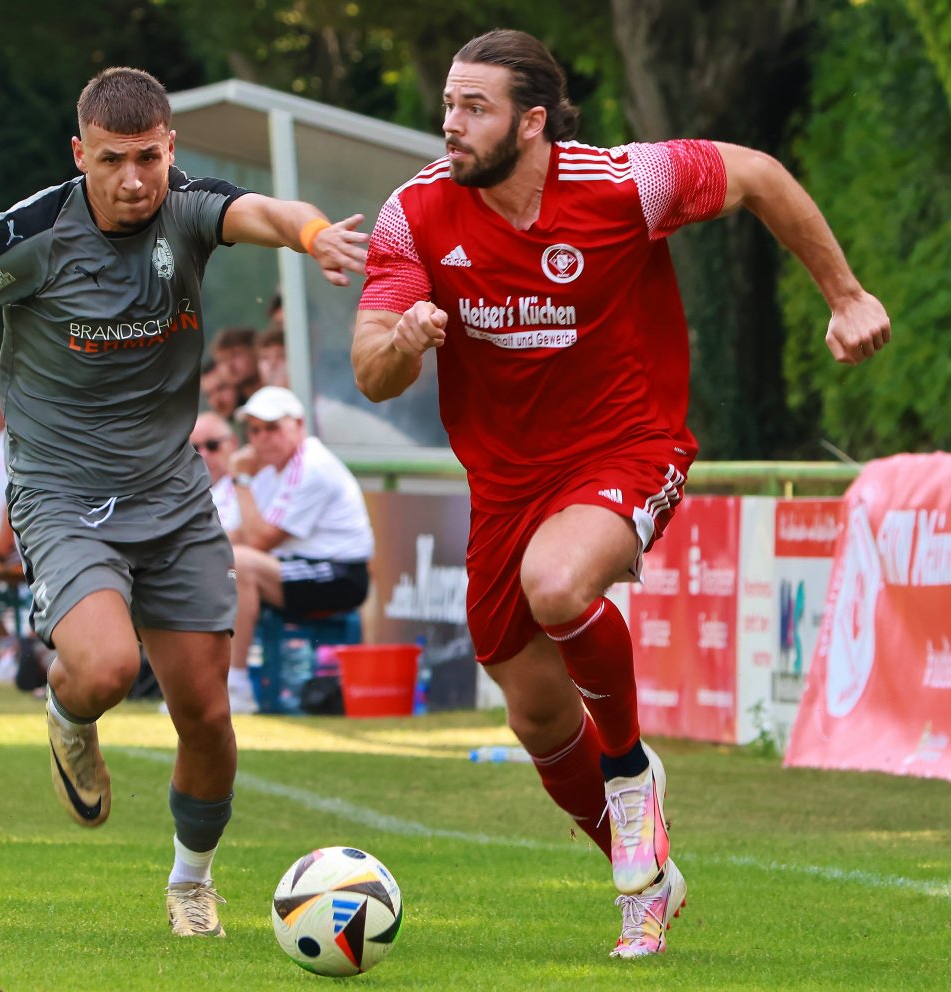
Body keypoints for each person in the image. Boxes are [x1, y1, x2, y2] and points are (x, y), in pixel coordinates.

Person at [352, 29, 890, 960]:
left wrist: (843, 295)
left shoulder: (623, 183)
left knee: (559, 586)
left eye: (473, 108)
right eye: (447, 104)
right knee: (537, 717)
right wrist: (405, 338)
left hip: (628, 444)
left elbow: (757, 171)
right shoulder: (414, 216)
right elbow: (370, 370)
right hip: (506, 485)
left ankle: (633, 773)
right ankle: (642, 876)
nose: (450, 124)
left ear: (530, 122)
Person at [0, 67, 367, 937]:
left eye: (149, 158)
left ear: (170, 150)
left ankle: (191, 882)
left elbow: (262, 214)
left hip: (175, 496)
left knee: (208, 716)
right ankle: (68, 712)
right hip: (64, 494)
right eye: (112, 160)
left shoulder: (187, 210)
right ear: (80, 154)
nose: (133, 180)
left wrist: (312, 237)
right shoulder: (32, 235)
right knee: (109, 667)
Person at [227, 386, 374, 714]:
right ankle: (217, 681)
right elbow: (239, 533)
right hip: (302, 567)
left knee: (239, 564)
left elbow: (258, 541)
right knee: (219, 560)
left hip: (341, 575)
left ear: (299, 425)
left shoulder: (312, 465)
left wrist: (241, 480)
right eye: (254, 430)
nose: (262, 438)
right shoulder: (269, 469)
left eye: (272, 428)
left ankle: (235, 686)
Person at [210, 325, 261, 404]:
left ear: (256, 353)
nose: (229, 366)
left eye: (235, 355)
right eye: (222, 360)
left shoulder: (280, 392)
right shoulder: (232, 408)